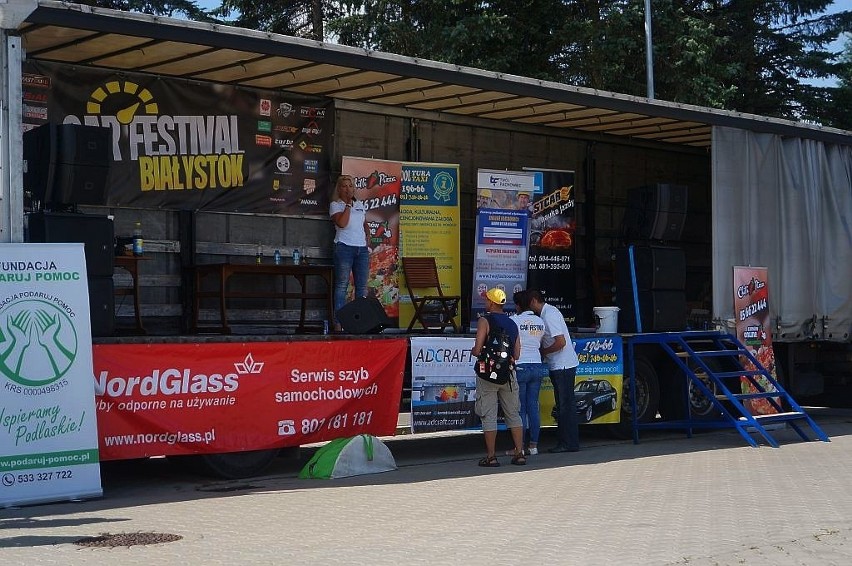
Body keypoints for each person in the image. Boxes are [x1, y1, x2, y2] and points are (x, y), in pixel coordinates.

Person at [471, 287, 526, 467]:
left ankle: (491, 457)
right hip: (508, 374)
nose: (485, 302)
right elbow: (517, 354)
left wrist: (475, 351)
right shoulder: (513, 323)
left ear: (491, 303)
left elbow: (478, 349)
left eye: (487, 300)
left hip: (487, 374)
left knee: (488, 415)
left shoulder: (484, 321)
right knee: (513, 414)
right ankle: (519, 453)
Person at [528, 289, 580, 453]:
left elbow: (561, 342)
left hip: (562, 365)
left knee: (565, 406)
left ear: (535, 300)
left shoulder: (549, 314)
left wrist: (543, 352)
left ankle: (567, 443)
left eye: (529, 302)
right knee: (566, 405)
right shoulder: (546, 314)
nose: (529, 306)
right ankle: (570, 442)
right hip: (560, 365)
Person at [509, 290, 552, 456]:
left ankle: (519, 447)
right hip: (537, 365)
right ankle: (533, 446)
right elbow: (541, 342)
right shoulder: (540, 321)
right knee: (533, 406)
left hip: (520, 366)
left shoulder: (514, 320)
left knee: (520, 408)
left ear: (519, 305)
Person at [329, 174, 369, 332]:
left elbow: (363, 222)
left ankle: (360, 322)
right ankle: (339, 323)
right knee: (342, 286)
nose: (348, 189)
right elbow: (343, 223)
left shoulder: (359, 204)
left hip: (361, 248)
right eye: (344, 186)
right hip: (344, 247)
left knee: (361, 287)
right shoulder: (335, 205)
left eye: (350, 186)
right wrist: (347, 206)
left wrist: (367, 234)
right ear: (339, 189)